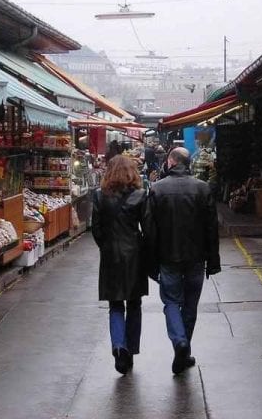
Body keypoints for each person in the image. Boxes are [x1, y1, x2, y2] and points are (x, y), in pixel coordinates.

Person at [143, 147, 221, 374]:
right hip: (196, 259)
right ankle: (184, 348)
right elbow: (211, 229)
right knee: (190, 305)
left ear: (171, 162)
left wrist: (151, 261)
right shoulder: (202, 188)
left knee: (170, 302)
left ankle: (179, 342)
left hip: (167, 258)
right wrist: (213, 260)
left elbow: (149, 230)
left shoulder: (157, 189)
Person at [91, 155, 149, 375]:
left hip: (110, 256)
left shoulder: (99, 196)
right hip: (134, 255)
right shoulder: (140, 196)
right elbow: (147, 227)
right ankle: (131, 349)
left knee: (115, 305)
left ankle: (118, 345)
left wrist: (106, 247)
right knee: (134, 304)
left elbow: (96, 228)